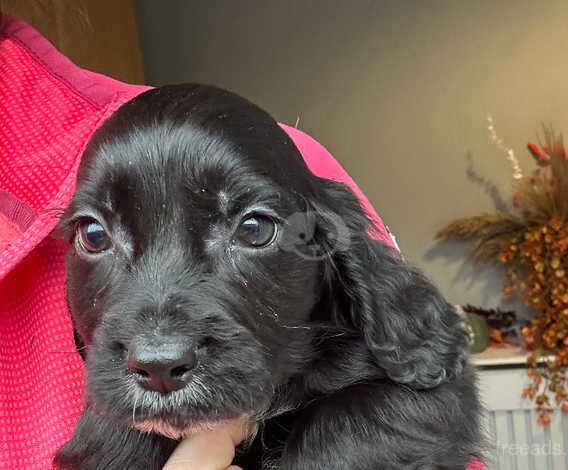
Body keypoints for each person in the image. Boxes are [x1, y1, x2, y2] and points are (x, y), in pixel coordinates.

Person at [0, 12, 394, 470]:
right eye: (94, 235)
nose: (156, 350)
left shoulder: (275, 157)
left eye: (252, 230)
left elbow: (417, 380)